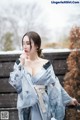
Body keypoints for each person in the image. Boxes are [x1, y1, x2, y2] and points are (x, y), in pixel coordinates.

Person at [9, 31, 78, 120]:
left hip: (42, 106)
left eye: (28, 43)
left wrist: (69, 100)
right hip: (26, 105)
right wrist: (21, 65)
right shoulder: (19, 63)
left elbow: (55, 86)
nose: (24, 46)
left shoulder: (46, 65)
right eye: (23, 43)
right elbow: (17, 85)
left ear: (37, 46)